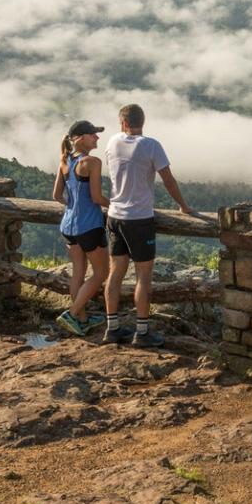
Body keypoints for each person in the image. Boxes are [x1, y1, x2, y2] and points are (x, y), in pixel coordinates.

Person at [102, 103, 195, 348]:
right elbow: (169, 180)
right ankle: (142, 332)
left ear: (122, 123)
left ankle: (112, 329)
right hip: (139, 219)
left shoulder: (112, 142)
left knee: (116, 273)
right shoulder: (151, 145)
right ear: (143, 122)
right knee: (144, 275)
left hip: (114, 216)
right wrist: (184, 206)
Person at [52, 120, 110, 337]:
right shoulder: (92, 162)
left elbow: (56, 196)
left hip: (68, 225)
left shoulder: (65, 160)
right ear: (80, 138)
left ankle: (82, 319)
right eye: (93, 134)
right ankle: (72, 313)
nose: (96, 138)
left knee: (78, 271)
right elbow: (96, 197)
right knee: (102, 272)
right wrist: (116, 205)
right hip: (89, 226)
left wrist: (74, 204)